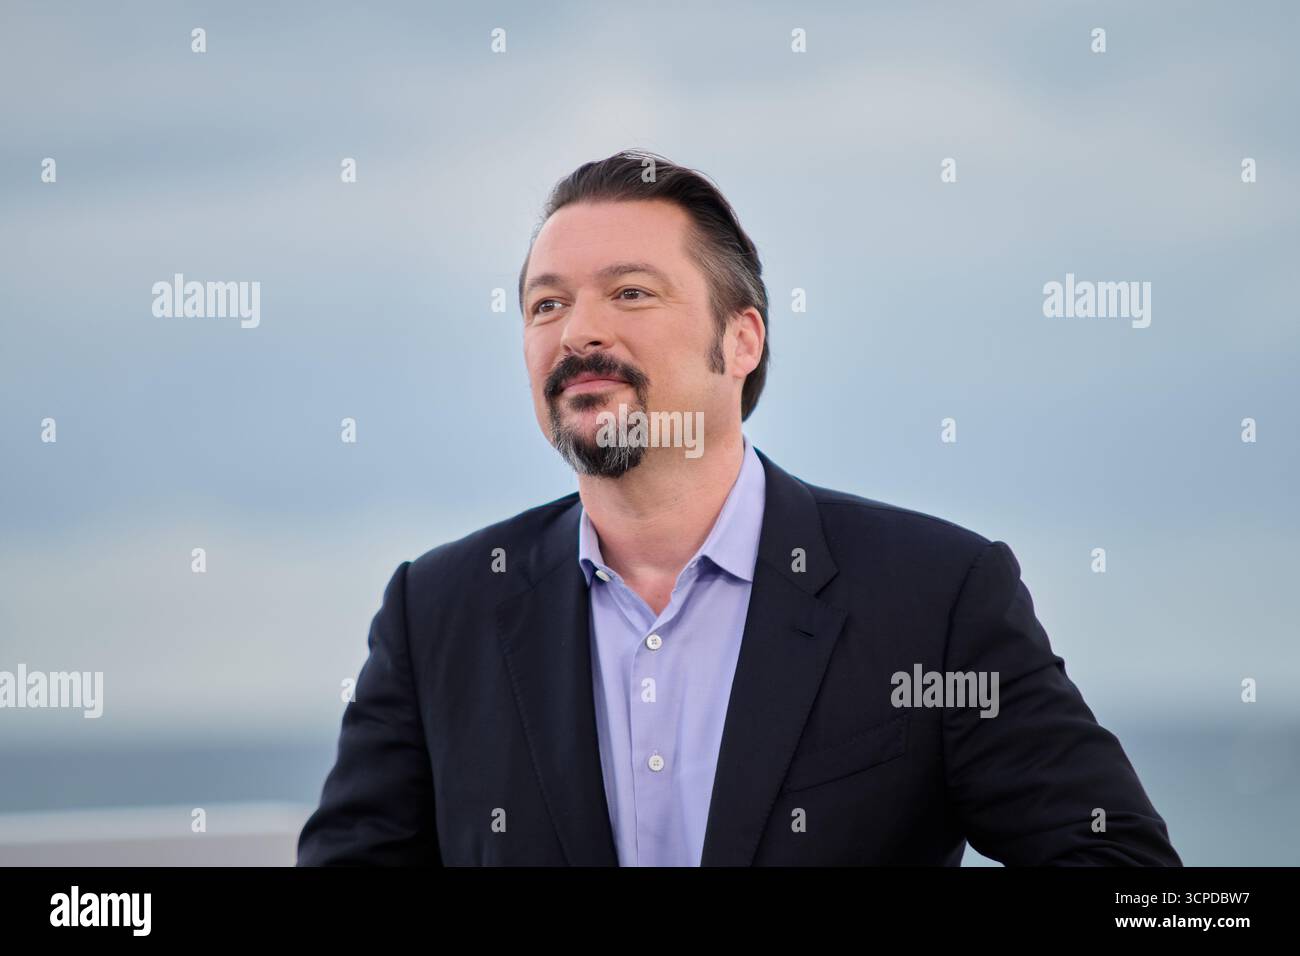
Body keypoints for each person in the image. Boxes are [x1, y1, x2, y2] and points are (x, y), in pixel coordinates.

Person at [297, 150, 1180, 866]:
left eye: (631, 292)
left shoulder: (934, 596)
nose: (578, 332)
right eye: (547, 305)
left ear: (741, 340)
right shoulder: (438, 610)